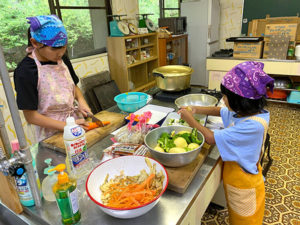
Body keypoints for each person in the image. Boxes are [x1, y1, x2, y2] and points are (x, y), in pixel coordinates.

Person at [179, 61, 274, 225]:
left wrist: (191, 121)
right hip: (236, 182)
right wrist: (196, 109)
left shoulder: (253, 125)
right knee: (234, 216)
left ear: (240, 101)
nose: (222, 100)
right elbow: (220, 110)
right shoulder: (245, 112)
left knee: (243, 221)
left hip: (245, 185)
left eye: (225, 97)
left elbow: (210, 138)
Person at [14, 15, 91, 142]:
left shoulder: (62, 59)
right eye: (54, 48)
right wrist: (67, 126)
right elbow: (31, 116)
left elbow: (73, 85)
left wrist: (82, 101)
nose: (60, 52)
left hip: (74, 121)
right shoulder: (25, 71)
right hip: (50, 133)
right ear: (35, 43)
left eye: (64, 46)